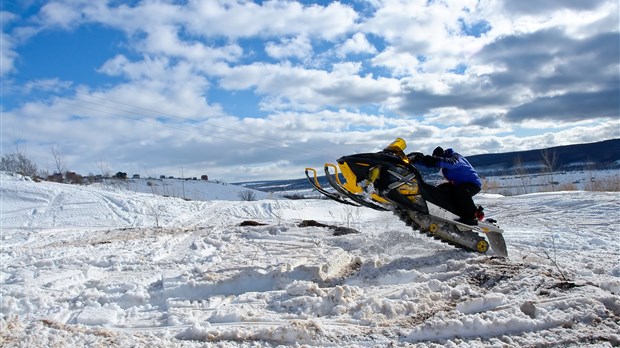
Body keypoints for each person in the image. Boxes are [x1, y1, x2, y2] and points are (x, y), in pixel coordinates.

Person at [410, 146, 483, 225]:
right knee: (439, 190)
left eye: (438, 157)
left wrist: (434, 160)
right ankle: (445, 211)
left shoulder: (456, 157)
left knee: (460, 191)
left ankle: (471, 216)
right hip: (458, 185)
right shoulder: (444, 162)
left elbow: (450, 163)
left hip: (472, 184)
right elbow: (431, 165)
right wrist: (416, 161)